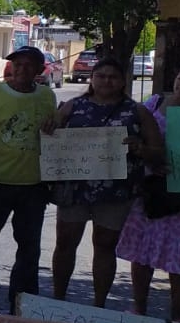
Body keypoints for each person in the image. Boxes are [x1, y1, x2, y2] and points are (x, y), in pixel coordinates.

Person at [46, 57, 164, 308]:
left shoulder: (137, 111)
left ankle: (99, 304)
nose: (106, 81)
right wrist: (48, 128)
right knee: (65, 243)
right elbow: (50, 136)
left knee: (105, 246)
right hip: (75, 187)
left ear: (122, 81)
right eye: (101, 76)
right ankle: (58, 299)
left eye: (113, 77)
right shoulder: (72, 107)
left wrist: (140, 149)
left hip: (116, 193)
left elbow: (157, 151)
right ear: (92, 79)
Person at [118, 60, 180, 320]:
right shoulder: (155, 103)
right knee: (142, 251)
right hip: (151, 189)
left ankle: (177, 313)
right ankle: (139, 307)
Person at [0, 45, 58, 312]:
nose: (21, 69)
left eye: (29, 65)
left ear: (40, 70)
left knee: (30, 248)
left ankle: (22, 299)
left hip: (33, 186)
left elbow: (54, 138)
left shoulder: (47, 97)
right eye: (17, 64)